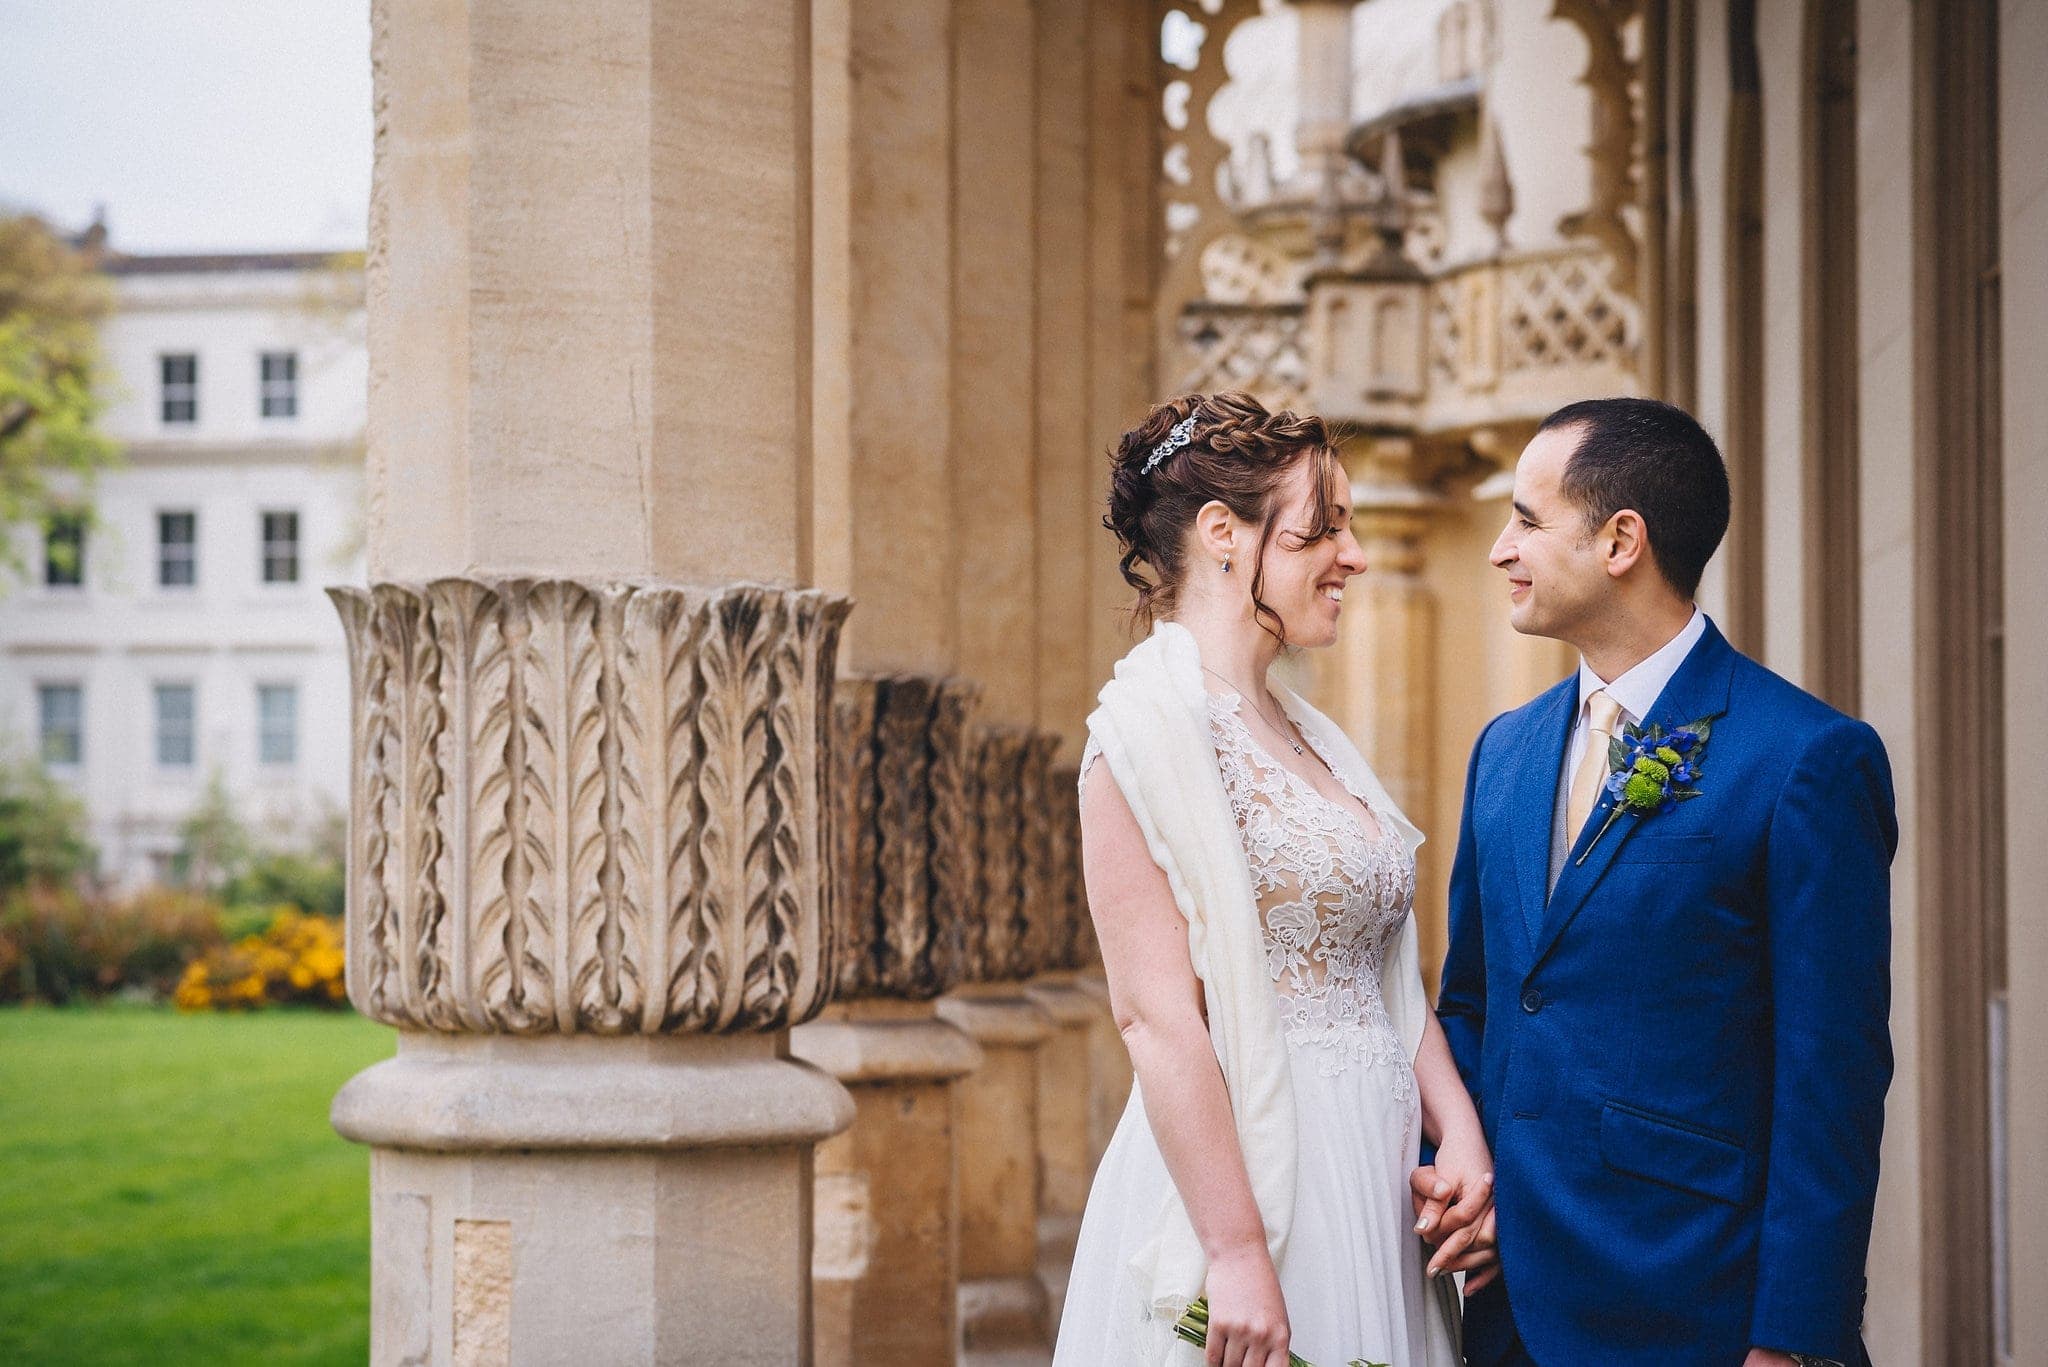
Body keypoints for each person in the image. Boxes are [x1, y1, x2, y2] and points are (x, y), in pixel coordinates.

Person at [1416, 397, 1896, 1367]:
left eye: (1524, 517)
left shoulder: (1805, 758)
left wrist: (1790, 1336)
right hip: (1504, 1302)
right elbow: (1472, 1000)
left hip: (1694, 1304)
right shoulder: (1501, 752)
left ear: (1619, 539)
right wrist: (1448, 1179)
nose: (1498, 547)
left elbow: (1831, 1076)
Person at [1055, 391, 1487, 1367]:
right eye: (1321, 528)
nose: (1354, 555)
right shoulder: (1139, 738)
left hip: (1373, 1175)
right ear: (1222, 534)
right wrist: (1236, 1251)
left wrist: (1456, 1130)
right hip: (1248, 1179)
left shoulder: (1313, 736)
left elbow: (1381, 972)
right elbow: (1155, 1019)